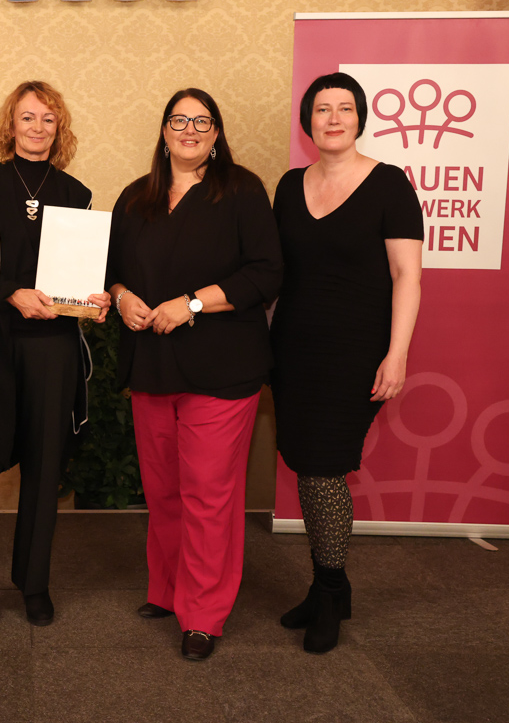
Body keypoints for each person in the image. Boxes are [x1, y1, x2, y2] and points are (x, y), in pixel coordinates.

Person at [106, 88, 283, 661]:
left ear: (216, 133)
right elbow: (109, 271)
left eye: (201, 122)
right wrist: (122, 297)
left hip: (222, 368)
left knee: (208, 495)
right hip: (152, 365)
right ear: (163, 132)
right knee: (164, 492)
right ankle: (168, 590)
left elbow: (267, 273)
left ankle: (203, 615)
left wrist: (195, 303)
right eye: (179, 120)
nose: (189, 130)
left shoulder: (242, 191)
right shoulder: (135, 197)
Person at [0, 80, 110, 632]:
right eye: (28, 117)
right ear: (9, 125)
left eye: (48, 119)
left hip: (53, 348)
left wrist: (95, 299)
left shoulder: (78, 194)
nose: (38, 127)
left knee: (44, 466)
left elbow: (86, 275)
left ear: (59, 129)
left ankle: (34, 584)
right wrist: (11, 292)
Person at [271, 72, 423, 653]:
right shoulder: (289, 186)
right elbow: (271, 269)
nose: (333, 118)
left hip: (356, 353)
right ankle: (326, 586)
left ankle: (331, 592)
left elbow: (407, 276)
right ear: (307, 121)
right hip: (293, 350)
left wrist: (397, 353)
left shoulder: (390, 184)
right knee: (305, 464)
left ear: (360, 118)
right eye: (322, 109)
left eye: (345, 109)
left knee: (322, 469)